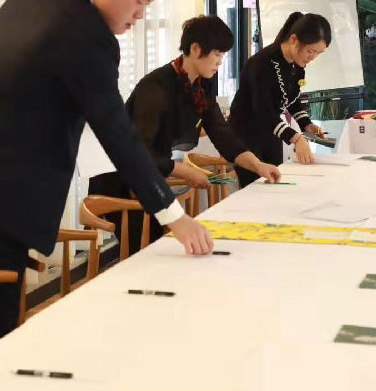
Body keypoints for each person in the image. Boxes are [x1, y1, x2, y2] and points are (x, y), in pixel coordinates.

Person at [0, 0, 213, 383]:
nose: (140, 15)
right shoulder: (87, 37)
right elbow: (117, 133)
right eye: (140, 1)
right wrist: (173, 215)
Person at [89, 15, 282, 254]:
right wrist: (185, 171)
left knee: (161, 248)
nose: (220, 62)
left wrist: (258, 165)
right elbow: (140, 153)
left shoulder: (201, 84)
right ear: (196, 49)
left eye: (223, 55)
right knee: (147, 252)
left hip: (152, 173)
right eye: (217, 54)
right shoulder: (155, 88)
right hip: (123, 177)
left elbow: (222, 134)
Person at [228, 12, 331, 187]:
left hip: (270, 131)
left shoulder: (297, 65)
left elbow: (292, 99)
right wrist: (296, 139)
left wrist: (307, 124)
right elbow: (263, 111)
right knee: (255, 190)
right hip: (245, 134)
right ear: (294, 40)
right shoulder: (261, 64)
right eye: (310, 51)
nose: (312, 58)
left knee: (275, 184)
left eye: (318, 53)